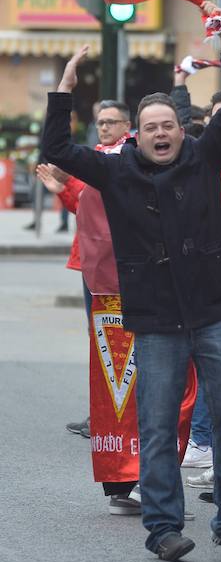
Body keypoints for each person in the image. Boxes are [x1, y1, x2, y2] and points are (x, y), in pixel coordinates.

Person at [41, 5, 221, 562]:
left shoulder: (203, 154)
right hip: (154, 319)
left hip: (214, 311)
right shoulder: (115, 170)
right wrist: (64, 91)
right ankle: (164, 527)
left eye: (168, 125)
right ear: (136, 137)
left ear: (178, 129)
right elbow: (57, 151)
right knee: (158, 425)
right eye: (151, 128)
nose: (161, 134)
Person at [38, 100, 132, 445]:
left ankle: (110, 417)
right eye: (100, 122)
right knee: (100, 341)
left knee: (113, 342)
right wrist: (63, 189)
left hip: (110, 263)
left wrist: (68, 186)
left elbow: (100, 202)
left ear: (127, 125)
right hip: (94, 259)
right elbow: (84, 206)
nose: (104, 128)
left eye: (110, 122)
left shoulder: (123, 158)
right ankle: (102, 414)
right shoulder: (99, 154)